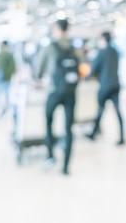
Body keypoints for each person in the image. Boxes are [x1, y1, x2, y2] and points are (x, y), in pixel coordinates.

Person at [34, 19, 81, 176]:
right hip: (71, 93)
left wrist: (39, 77)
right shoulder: (74, 48)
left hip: (54, 91)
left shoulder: (50, 47)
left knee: (48, 121)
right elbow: (81, 68)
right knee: (68, 128)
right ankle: (66, 166)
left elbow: (37, 70)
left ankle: (50, 156)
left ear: (56, 29)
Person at [85, 32, 125, 145]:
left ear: (103, 39)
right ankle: (122, 137)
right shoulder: (115, 52)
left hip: (105, 85)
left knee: (100, 109)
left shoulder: (102, 53)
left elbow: (93, 70)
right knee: (118, 111)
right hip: (116, 84)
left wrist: (86, 78)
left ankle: (93, 133)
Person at [0, 41, 16, 118]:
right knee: (6, 94)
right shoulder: (9, 55)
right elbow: (13, 68)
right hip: (5, 78)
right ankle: (5, 107)